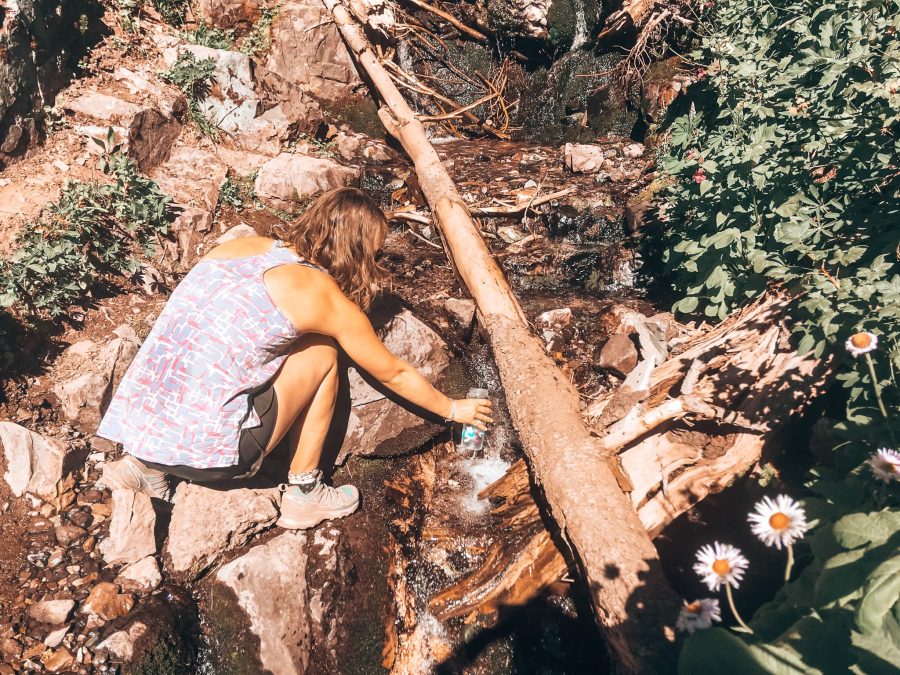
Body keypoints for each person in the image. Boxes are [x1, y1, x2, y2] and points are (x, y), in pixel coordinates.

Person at [97, 187, 492, 529]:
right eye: (375, 252)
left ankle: (146, 468)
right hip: (211, 458)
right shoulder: (320, 295)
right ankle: (304, 492)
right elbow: (393, 373)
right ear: (357, 250)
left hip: (142, 435)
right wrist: (453, 410)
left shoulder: (239, 247)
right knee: (322, 350)